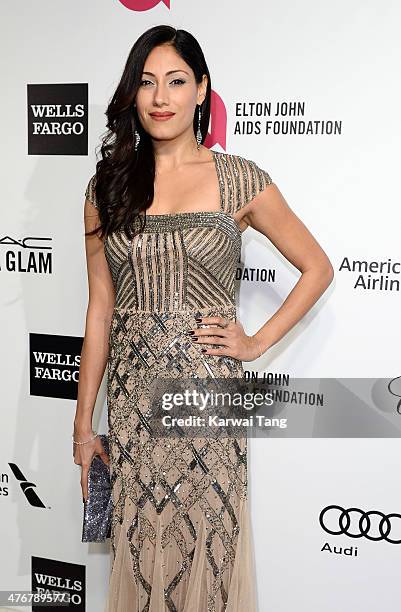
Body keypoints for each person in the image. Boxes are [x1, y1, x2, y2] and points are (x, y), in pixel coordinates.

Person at [73, 24, 334, 612]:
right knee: (143, 560)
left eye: (176, 81)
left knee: (208, 557)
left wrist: (256, 342)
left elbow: (316, 266)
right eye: (146, 83)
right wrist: (84, 426)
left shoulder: (239, 178)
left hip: (207, 402)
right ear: (132, 95)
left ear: (201, 90)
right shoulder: (106, 188)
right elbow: (99, 309)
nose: (160, 97)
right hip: (136, 406)